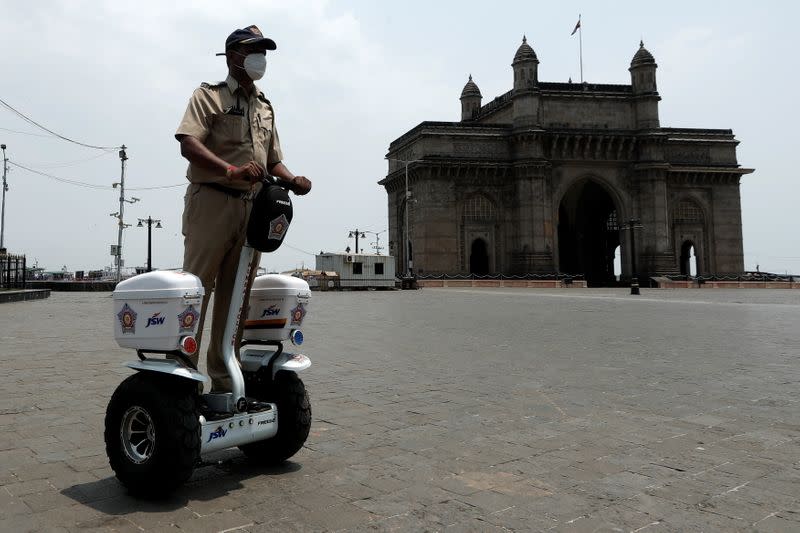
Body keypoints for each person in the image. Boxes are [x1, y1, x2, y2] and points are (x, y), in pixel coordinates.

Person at [175, 25, 312, 392]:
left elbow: (272, 162)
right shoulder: (209, 97)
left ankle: (224, 379)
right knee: (197, 289)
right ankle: (183, 377)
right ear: (233, 55)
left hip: (252, 209)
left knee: (237, 296)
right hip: (212, 201)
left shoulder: (265, 107)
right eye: (254, 51)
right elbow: (188, 143)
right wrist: (230, 169)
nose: (261, 59)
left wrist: (293, 178)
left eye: (264, 52)